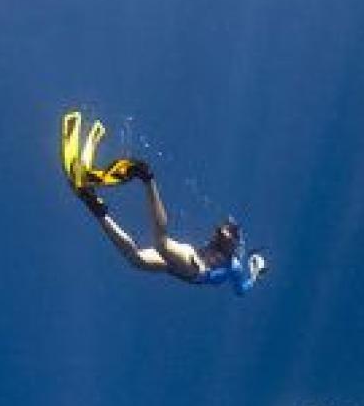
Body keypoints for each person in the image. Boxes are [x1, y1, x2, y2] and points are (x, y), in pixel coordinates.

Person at [62, 111, 267, 295]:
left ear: (235, 243)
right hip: (191, 263)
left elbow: (242, 289)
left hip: (194, 269)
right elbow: (238, 284)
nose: (222, 232)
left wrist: (255, 271)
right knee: (159, 245)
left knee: (136, 259)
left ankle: (95, 205)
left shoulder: (235, 265)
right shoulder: (222, 248)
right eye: (223, 230)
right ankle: (146, 177)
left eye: (228, 233)